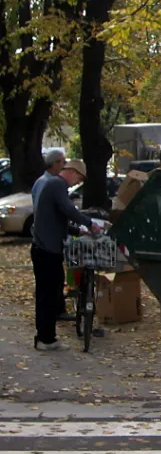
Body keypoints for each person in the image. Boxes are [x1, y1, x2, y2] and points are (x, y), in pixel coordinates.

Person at [31, 159, 100, 351]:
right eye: (79, 178)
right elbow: (68, 210)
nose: (77, 182)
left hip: (46, 248)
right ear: (72, 172)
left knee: (51, 292)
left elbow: (57, 218)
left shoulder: (52, 184)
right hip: (46, 250)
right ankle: (45, 338)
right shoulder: (57, 185)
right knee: (48, 294)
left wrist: (79, 232)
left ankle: (46, 336)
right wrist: (89, 223)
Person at [32, 150, 72, 322]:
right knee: (49, 284)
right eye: (63, 162)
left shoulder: (43, 182)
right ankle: (49, 324)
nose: (64, 166)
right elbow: (54, 211)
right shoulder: (50, 183)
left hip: (43, 240)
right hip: (46, 242)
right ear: (55, 163)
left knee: (54, 280)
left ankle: (57, 309)